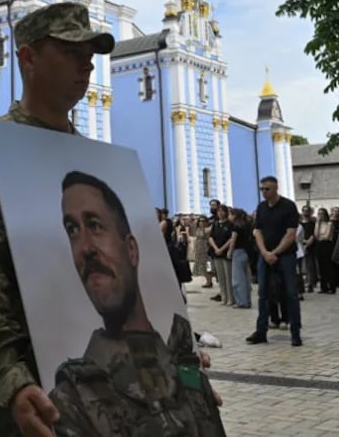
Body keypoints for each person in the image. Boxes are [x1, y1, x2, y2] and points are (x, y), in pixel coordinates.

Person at [0, 1, 117, 436]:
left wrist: (172, 361)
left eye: (90, 56)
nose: (86, 65)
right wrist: (11, 378)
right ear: (28, 57)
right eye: (72, 52)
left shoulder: (90, 160)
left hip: (99, 389)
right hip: (25, 398)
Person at [48, 171, 225, 435]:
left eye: (95, 225)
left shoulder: (180, 364)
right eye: (72, 230)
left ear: (131, 249)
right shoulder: (73, 400)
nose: (85, 248)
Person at [246, 176, 302, 346]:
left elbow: (291, 234)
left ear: (275, 188)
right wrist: (264, 252)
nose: (264, 192)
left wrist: (275, 252)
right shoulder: (261, 207)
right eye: (262, 189)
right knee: (263, 293)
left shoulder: (288, 206)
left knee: (290, 293)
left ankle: (295, 332)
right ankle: (261, 330)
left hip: (285, 256)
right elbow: (258, 231)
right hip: (265, 256)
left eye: (267, 189)